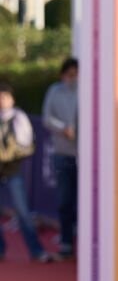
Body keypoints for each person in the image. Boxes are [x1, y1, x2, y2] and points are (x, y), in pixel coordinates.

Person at [0, 81, 54, 262]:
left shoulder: (18, 118)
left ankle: (36, 250)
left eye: (5, 97)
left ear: (12, 99)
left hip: (13, 170)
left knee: (22, 211)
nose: (2, 101)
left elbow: (27, 143)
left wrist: (13, 149)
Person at [42, 57, 78, 258]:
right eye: (70, 74)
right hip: (62, 154)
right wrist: (63, 128)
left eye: (76, 74)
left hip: (85, 156)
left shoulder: (86, 91)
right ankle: (66, 242)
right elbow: (47, 118)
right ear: (63, 75)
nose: (73, 78)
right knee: (65, 200)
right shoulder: (55, 91)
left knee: (85, 202)